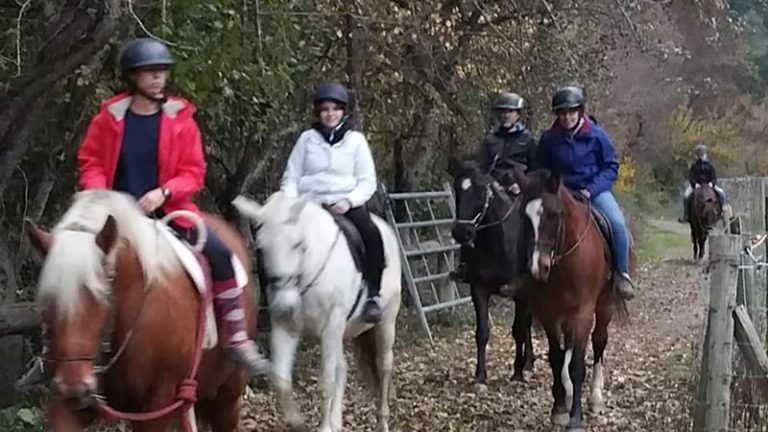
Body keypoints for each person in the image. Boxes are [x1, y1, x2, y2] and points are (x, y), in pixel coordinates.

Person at [15, 38, 267, 392]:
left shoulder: (181, 118)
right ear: (132, 77)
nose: (158, 79)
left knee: (223, 257)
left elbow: (193, 171)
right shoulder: (108, 119)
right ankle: (48, 355)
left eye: (161, 72)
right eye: (150, 73)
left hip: (171, 212)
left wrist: (163, 192)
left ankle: (237, 338)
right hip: (113, 221)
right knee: (66, 270)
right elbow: (91, 163)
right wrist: (102, 196)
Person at [281, 82, 383, 324]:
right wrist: (290, 204)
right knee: (278, 239)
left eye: (335, 109)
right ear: (319, 112)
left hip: (345, 204)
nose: (330, 114)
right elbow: (291, 177)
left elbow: (367, 181)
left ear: (342, 111)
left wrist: (349, 201)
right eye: (325, 109)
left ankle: (373, 295)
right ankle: (276, 296)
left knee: (371, 234)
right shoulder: (307, 140)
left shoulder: (356, 141)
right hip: (310, 205)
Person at [535, 85, 635, 300]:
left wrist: (592, 189)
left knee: (617, 224)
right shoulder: (549, 138)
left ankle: (621, 273)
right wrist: (550, 186)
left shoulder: (597, 135)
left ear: (579, 111)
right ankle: (529, 272)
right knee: (534, 220)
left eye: (571, 112)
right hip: (561, 191)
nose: (566, 117)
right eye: (562, 113)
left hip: (593, 190)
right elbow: (539, 167)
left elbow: (610, 166)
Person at [450, 92, 537, 293]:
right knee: (470, 218)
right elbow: (479, 166)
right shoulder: (490, 140)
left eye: (510, 112)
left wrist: (523, 184)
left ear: (518, 114)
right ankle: (466, 266)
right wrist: (488, 183)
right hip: (493, 188)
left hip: (519, 188)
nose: (506, 115)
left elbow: (536, 167)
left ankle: (530, 266)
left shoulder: (528, 140)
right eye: (502, 112)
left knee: (532, 219)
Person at [679, 144, 725, 223]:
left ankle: (720, 213)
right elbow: (691, 177)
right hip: (697, 186)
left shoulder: (710, 166)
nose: (702, 156)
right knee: (686, 196)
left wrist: (712, 183)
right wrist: (695, 184)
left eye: (703, 154)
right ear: (697, 155)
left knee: (722, 194)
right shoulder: (694, 166)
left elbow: (714, 177)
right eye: (700, 154)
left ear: (706, 155)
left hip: (709, 185)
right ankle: (686, 215)